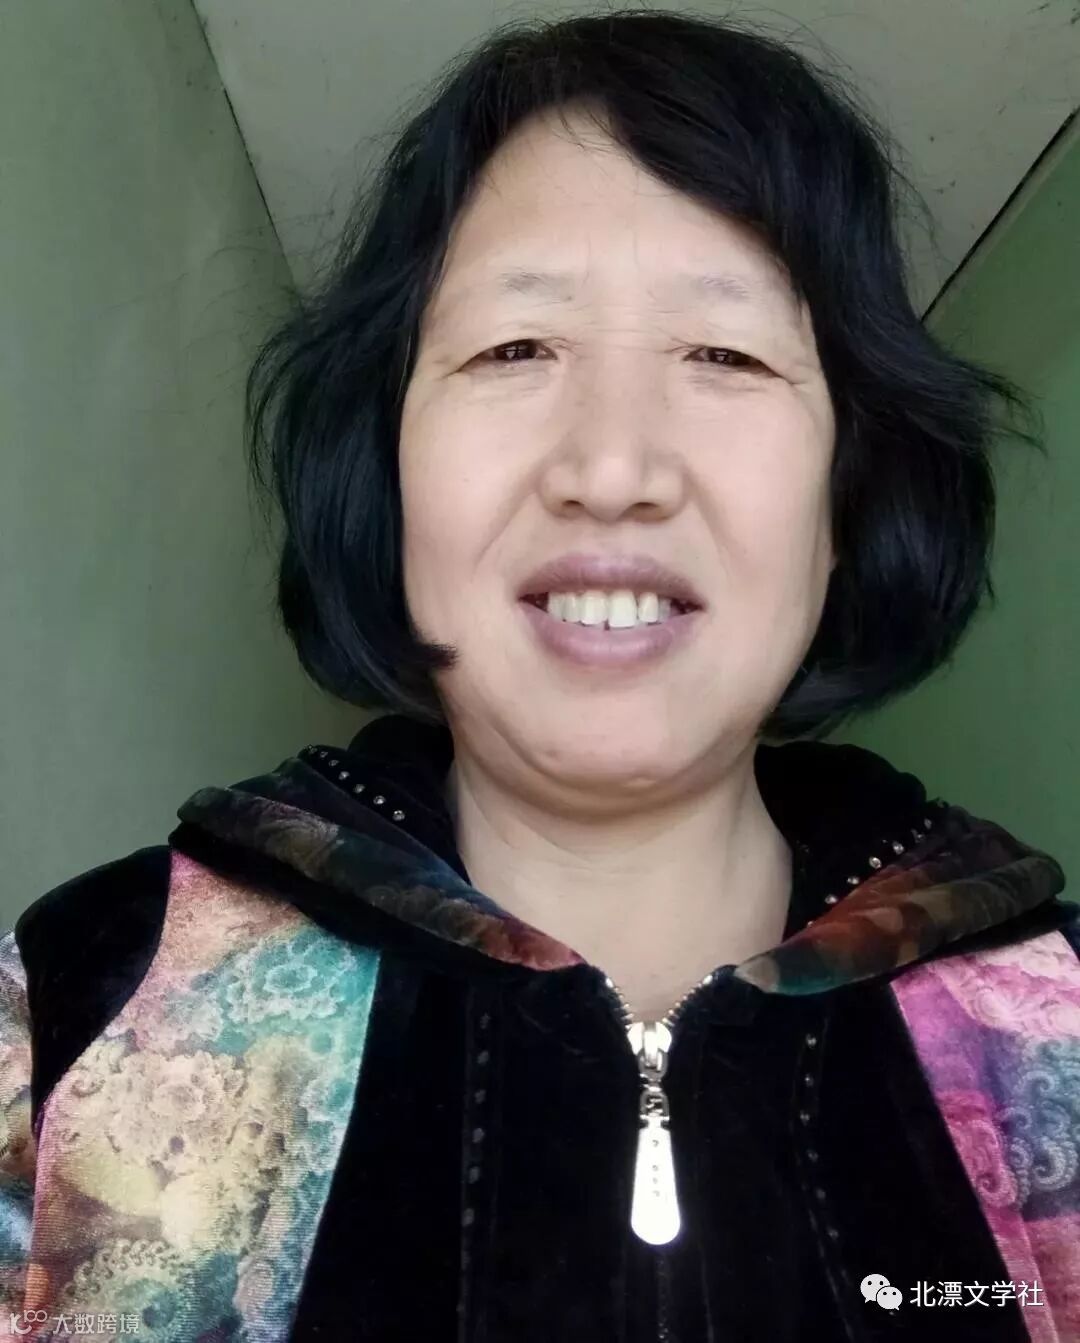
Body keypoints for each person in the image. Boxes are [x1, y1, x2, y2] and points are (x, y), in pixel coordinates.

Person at [2, 10, 1078, 1342]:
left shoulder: (1055, 1037)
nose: (613, 469)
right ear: (389, 471)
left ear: (849, 494)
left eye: (727, 355)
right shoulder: (73, 1007)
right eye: (515, 348)